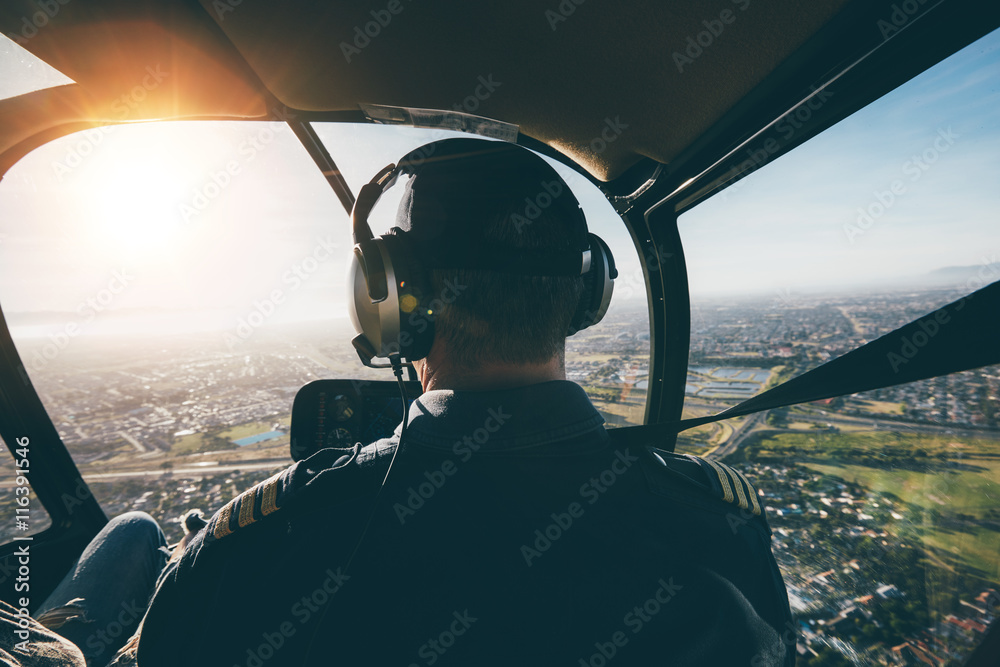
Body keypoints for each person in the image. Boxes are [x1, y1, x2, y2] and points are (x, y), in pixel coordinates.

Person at [135, 139, 794, 666]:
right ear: (585, 294)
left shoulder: (258, 548)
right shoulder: (718, 527)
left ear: (390, 299)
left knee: (134, 537)